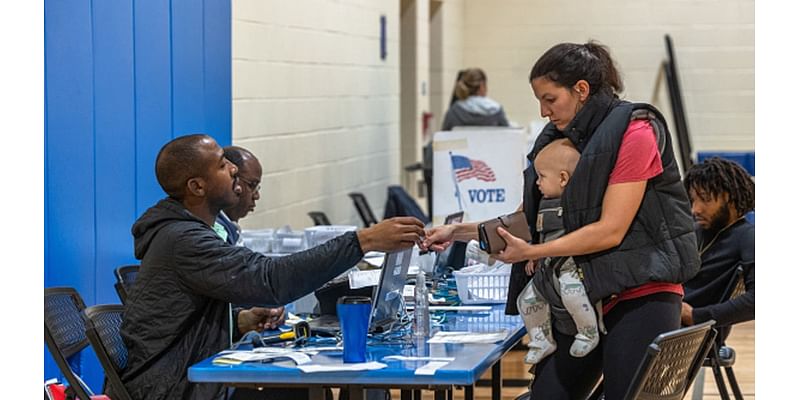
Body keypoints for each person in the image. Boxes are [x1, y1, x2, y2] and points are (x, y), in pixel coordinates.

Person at [422, 41, 699, 399]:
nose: (542, 111)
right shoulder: (555, 139)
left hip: (642, 293)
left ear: (581, 90)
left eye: (550, 99)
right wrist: (458, 231)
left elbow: (610, 231)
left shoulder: (638, 130)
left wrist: (534, 251)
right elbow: (531, 217)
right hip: (587, 292)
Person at [117, 134, 425, 400]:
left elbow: (183, 318)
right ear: (197, 187)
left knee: (299, 389)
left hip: (183, 376)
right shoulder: (183, 240)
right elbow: (271, 280)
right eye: (223, 165)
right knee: (297, 391)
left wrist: (241, 321)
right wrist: (362, 240)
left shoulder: (187, 233)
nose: (234, 168)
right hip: (171, 388)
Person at [517, 138, 600, 365]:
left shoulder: (577, 206)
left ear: (563, 178)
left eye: (542, 176)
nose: (537, 183)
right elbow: (544, 235)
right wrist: (536, 255)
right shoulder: (543, 204)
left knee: (572, 293)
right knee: (526, 300)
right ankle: (540, 339)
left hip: (570, 267)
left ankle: (588, 331)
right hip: (546, 268)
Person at [681, 157, 755, 332]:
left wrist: (696, 316)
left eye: (705, 200)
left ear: (728, 198)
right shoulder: (695, 230)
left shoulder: (748, 237)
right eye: (693, 200)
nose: (695, 209)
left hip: (686, 334)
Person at [440, 68, 509, 131]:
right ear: (482, 86)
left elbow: (442, 137)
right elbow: (509, 136)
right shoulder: (496, 111)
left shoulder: (454, 112)